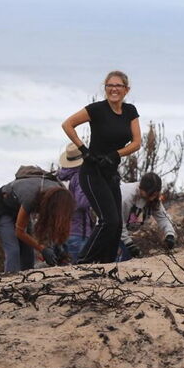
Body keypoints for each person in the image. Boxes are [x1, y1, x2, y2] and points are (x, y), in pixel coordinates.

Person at [61, 70, 142, 264]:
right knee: (108, 221)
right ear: (105, 88)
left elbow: (137, 142)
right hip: (91, 172)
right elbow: (67, 124)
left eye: (118, 86)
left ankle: (106, 265)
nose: (114, 89)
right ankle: (82, 262)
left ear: (126, 90)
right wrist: (84, 150)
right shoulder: (97, 109)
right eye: (109, 86)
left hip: (110, 173)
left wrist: (115, 154)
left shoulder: (130, 111)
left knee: (116, 225)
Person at [0, 175, 75, 272]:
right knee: (13, 250)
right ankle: (10, 280)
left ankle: (27, 280)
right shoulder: (30, 197)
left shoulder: (62, 193)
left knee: (28, 252)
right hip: (3, 208)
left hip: (20, 207)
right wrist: (42, 249)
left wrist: (57, 247)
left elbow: (52, 224)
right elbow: (19, 231)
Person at [118, 172, 176, 260]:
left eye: (155, 195)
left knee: (128, 256)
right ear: (141, 188)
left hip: (127, 230)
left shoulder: (154, 199)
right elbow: (119, 223)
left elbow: (163, 218)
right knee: (122, 254)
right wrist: (129, 243)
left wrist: (170, 234)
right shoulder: (127, 197)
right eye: (150, 194)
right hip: (112, 227)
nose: (152, 198)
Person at [56, 143, 94, 263]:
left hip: (63, 229)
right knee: (79, 266)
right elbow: (82, 203)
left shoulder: (62, 177)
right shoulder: (79, 177)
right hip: (79, 230)